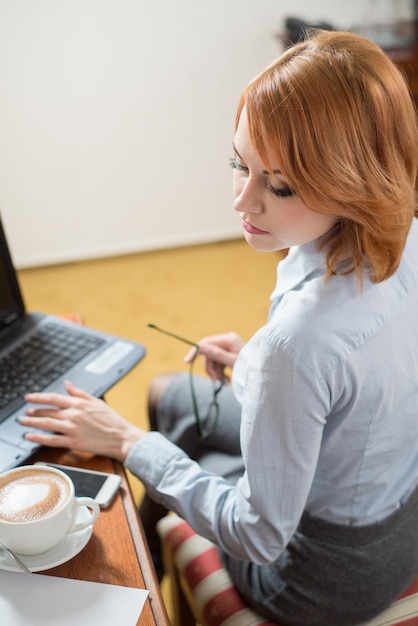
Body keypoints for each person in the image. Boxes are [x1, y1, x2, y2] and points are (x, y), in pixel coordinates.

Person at [19, 29, 418, 626]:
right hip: (395, 507)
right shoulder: (405, 234)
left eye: (278, 185)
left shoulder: (299, 346)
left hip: (320, 578)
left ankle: (141, 586)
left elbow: (259, 536)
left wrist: (129, 444)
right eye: (240, 164)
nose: (242, 200)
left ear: (352, 180)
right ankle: (153, 565)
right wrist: (257, 362)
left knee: (173, 437)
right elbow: (363, 375)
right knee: (169, 394)